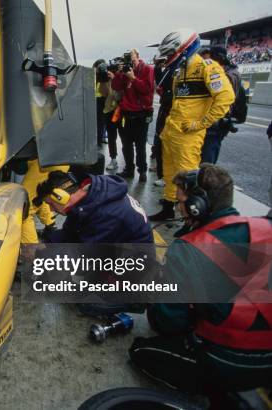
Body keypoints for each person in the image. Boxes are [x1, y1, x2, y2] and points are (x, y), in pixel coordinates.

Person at [130, 164, 272, 398]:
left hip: (231, 360)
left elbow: (167, 323)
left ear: (197, 207)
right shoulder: (263, 226)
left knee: (141, 351)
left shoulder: (189, 248)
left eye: (181, 202)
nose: (179, 208)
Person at [149, 30, 235, 221]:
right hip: (172, 133)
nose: (169, 57)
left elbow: (226, 97)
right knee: (170, 174)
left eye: (171, 53)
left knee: (188, 178)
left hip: (189, 136)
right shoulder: (179, 71)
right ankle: (168, 208)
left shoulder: (207, 66)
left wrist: (201, 123)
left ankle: (191, 218)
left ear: (184, 49)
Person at [34, 168, 153, 244]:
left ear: (61, 196)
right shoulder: (88, 197)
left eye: (50, 204)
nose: (50, 209)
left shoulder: (106, 215)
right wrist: (46, 243)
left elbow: (87, 259)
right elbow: (71, 233)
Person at [111, 49, 155, 183]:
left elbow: (146, 89)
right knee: (126, 144)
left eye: (132, 58)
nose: (130, 62)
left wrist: (132, 78)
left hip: (141, 114)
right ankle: (129, 169)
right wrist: (119, 73)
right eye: (127, 59)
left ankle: (142, 171)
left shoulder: (147, 69)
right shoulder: (124, 71)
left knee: (140, 145)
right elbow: (116, 87)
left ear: (138, 56)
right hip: (126, 113)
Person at [199, 46, 242, 164]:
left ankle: (206, 180)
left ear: (218, 58)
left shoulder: (229, 74)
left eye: (211, 56)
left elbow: (225, 98)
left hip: (217, 121)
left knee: (207, 158)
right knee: (203, 155)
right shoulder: (227, 71)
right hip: (214, 120)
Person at [150, 58, 174, 187]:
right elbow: (160, 83)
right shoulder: (170, 70)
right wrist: (158, 67)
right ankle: (162, 174)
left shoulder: (178, 69)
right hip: (165, 110)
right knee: (160, 143)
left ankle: (167, 176)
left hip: (174, 114)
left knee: (169, 147)